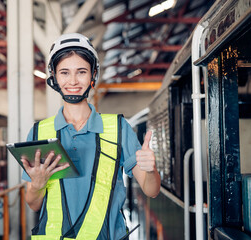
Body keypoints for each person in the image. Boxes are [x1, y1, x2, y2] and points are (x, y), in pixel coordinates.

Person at [21, 33, 161, 240]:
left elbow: (152, 190)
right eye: (65, 72)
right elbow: (33, 204)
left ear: (93, 74)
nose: (73, 81)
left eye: (81, 72)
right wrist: (37, 185)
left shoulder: (118, 128)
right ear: (54, 76)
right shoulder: (38, 132)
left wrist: (151, 170)